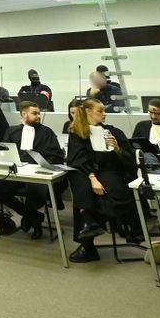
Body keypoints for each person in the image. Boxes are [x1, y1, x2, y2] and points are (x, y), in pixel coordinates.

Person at [65, 97, 139, 262]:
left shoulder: (114, 132)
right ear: (89, 112)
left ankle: (89, 228)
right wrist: (92, 178)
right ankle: (89, 232)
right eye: (101, 111)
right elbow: (78, 159)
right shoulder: (77, 133)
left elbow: (129, 159)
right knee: (79, 179)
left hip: (110, 171)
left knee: (102, 189)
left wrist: (118, 149)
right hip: (88, 173)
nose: (104, 114)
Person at [0, 101, 65, 238]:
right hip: (16, 174)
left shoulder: (46, 132)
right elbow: (5, 152)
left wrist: (41, 164)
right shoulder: (12, 131)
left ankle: (33, 222)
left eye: (39, 113)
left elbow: (56, 156)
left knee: (35, 191)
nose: (38, 116)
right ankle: (32, 216)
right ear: (24, 114)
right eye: (34, 113)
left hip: (38, 175)